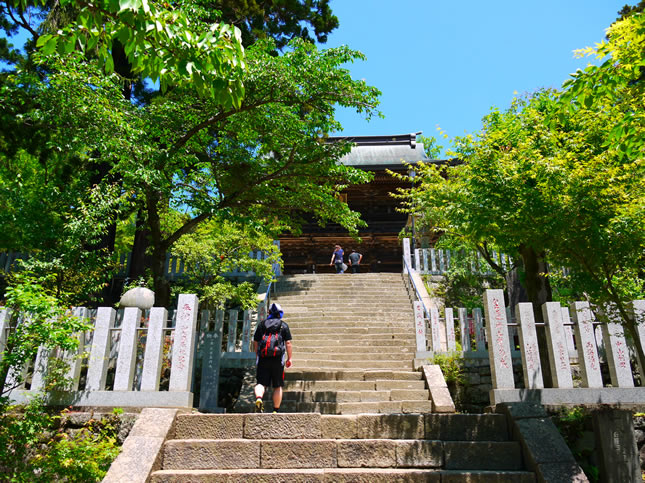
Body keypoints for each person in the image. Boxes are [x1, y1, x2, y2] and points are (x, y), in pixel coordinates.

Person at [253, 302, 292, 413]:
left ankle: (259, 398)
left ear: (269, 312)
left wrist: (257, 355)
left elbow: (256, 342)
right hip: (278, 358)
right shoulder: (283, 325)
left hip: (263, 357)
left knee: (261, 383)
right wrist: (290, 358)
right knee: (277, 385)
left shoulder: (262, 325)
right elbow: (288, 343)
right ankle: (275, 410)